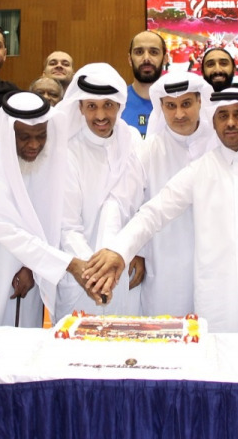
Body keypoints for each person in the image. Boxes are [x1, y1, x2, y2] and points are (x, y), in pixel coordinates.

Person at [84, 90, 238, 333]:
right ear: (213, 122)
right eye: (222, 115)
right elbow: (154, 212)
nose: (230, 122)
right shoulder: (201, 170)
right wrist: (119, 250)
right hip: (218, 303)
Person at [0, 91, 90, 326]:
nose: (34, 145)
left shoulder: (36, 162)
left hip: (28, 274)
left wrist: (29, 267)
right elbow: (10, 231)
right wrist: (70, 264)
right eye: (24, 137)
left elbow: (41, 218)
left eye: (41, 136)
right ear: (6, 134)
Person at [56, 64, 145, 315]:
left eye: (108, 105)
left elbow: (142, 208)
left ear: (119, 105)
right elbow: (67, 226)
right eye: (91, 106)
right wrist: (94, 273)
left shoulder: (133, 141)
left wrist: (139, 251)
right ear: (80, 107)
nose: (100, 115)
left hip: (125, 268)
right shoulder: (68, 150)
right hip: (81, 275)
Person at [133, 71, 216, 316]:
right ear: (161, 107)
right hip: (165, 254)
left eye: (186, 104)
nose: (179, 114)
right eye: (171, 106)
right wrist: (138, 251)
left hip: (213, 253)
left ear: (200, 101)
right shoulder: (148, 150)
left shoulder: (218, 143)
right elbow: (137, 205)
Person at [122, 31, 167, 136]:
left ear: (165, 59)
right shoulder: (116, 103)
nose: (146, 58)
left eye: (154, 52)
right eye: (139, 52)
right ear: (130, 59)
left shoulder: (178, 105)